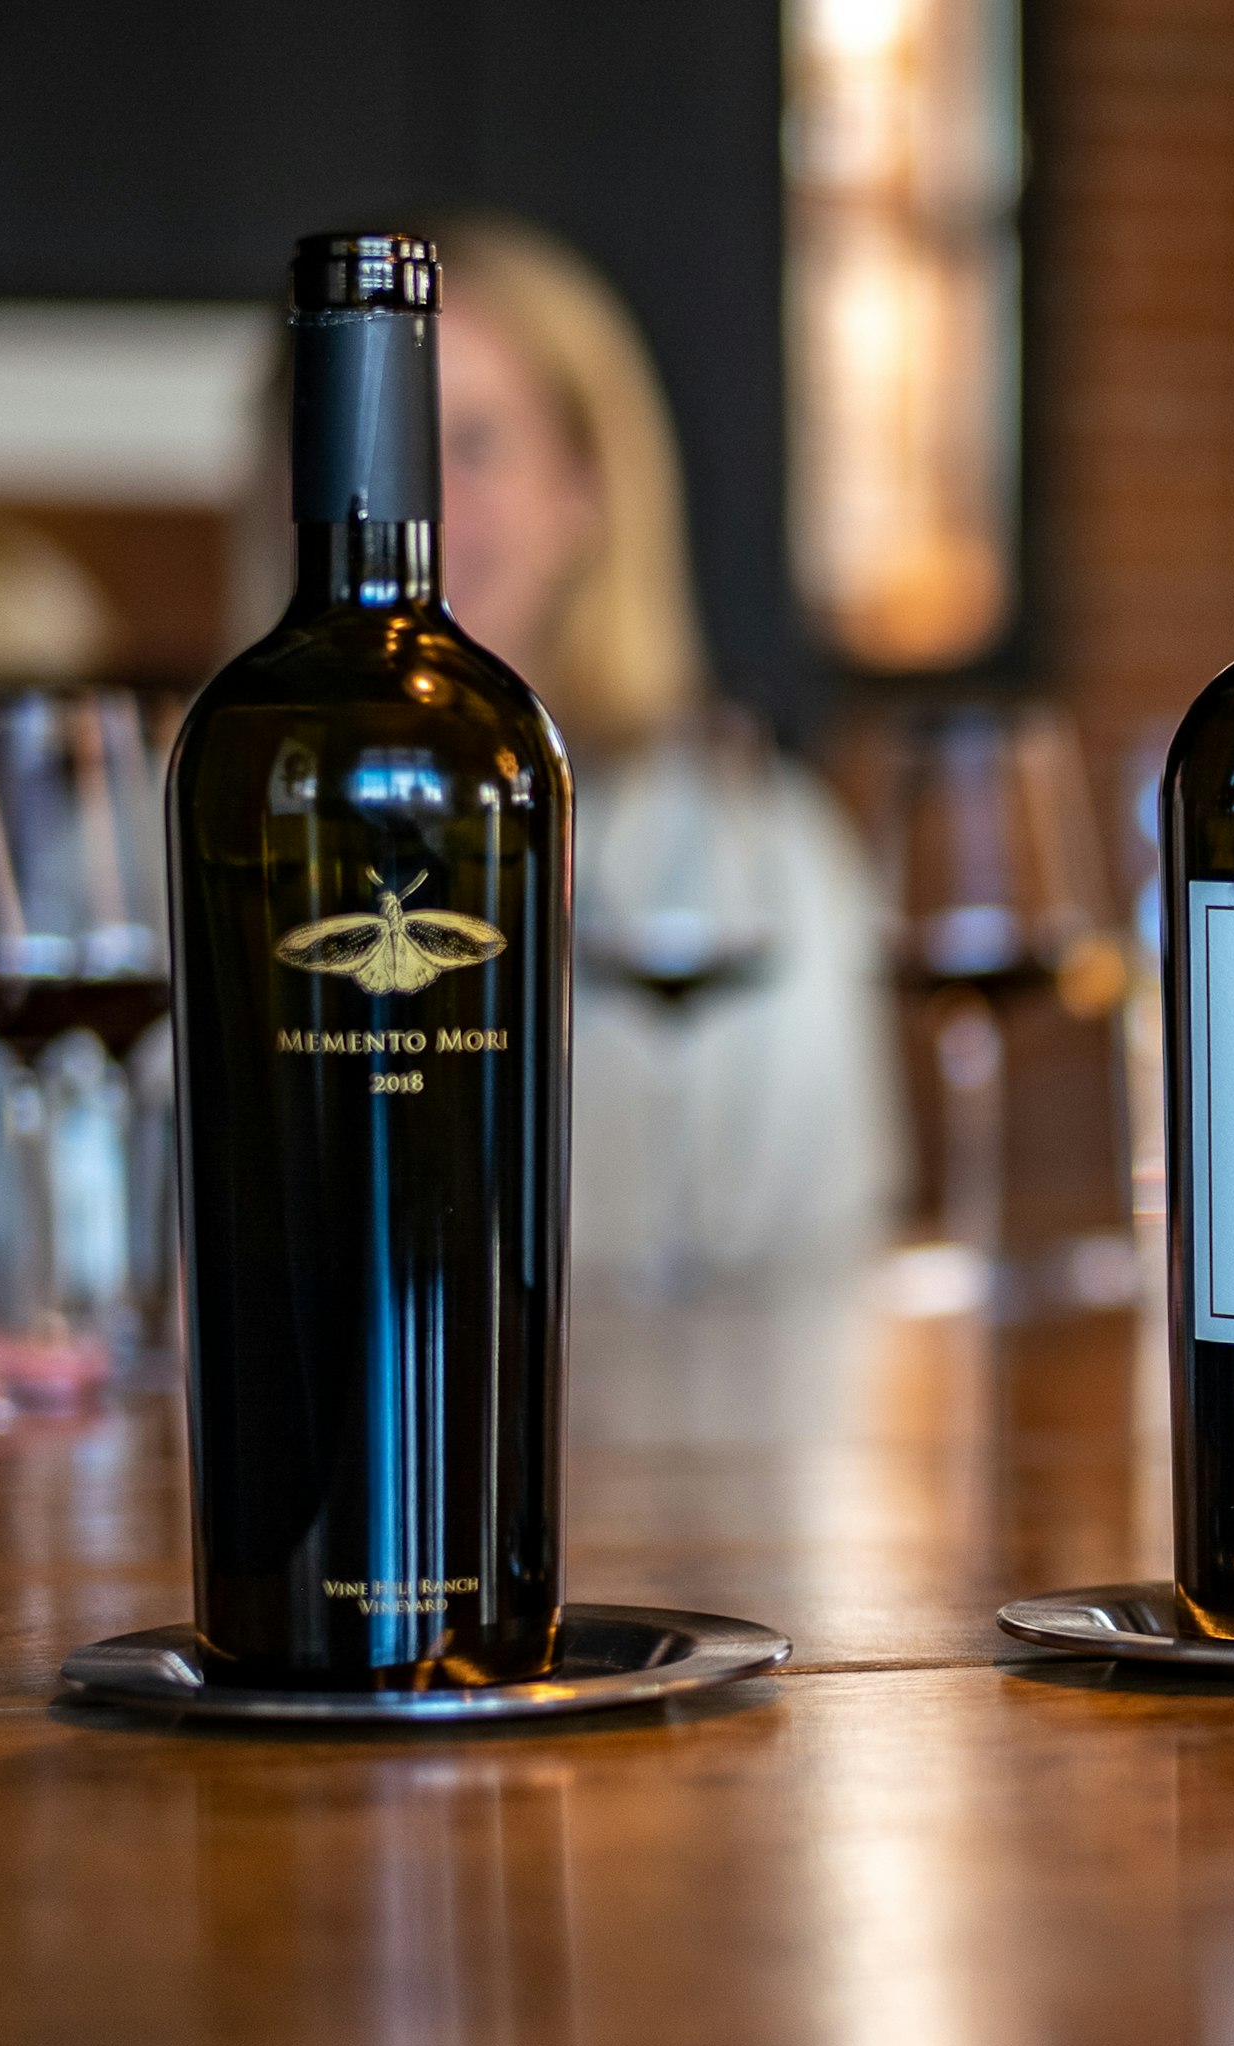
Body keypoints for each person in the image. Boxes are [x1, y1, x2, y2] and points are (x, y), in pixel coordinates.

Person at [430, 214, 901, 1290]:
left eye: (474, 444)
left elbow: (831, 1254)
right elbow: (17, 1261)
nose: (418, 507)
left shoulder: (767, 848)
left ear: (581, 494)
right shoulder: (149, 836)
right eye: (367, 443)